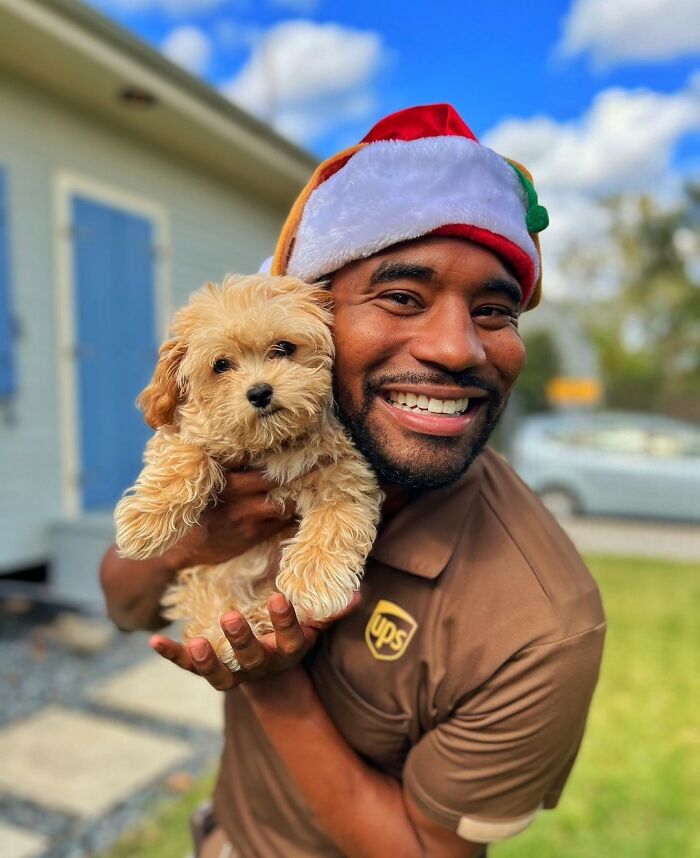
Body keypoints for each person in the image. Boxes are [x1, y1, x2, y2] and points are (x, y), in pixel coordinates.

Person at [100, 104, 606, 858]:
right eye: (402, 296)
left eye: (495, 309)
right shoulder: (239, 459)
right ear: (313, 313)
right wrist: (192, 544)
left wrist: (270, 679)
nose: (457, 348)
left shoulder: (540, 629)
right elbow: (124, 604)